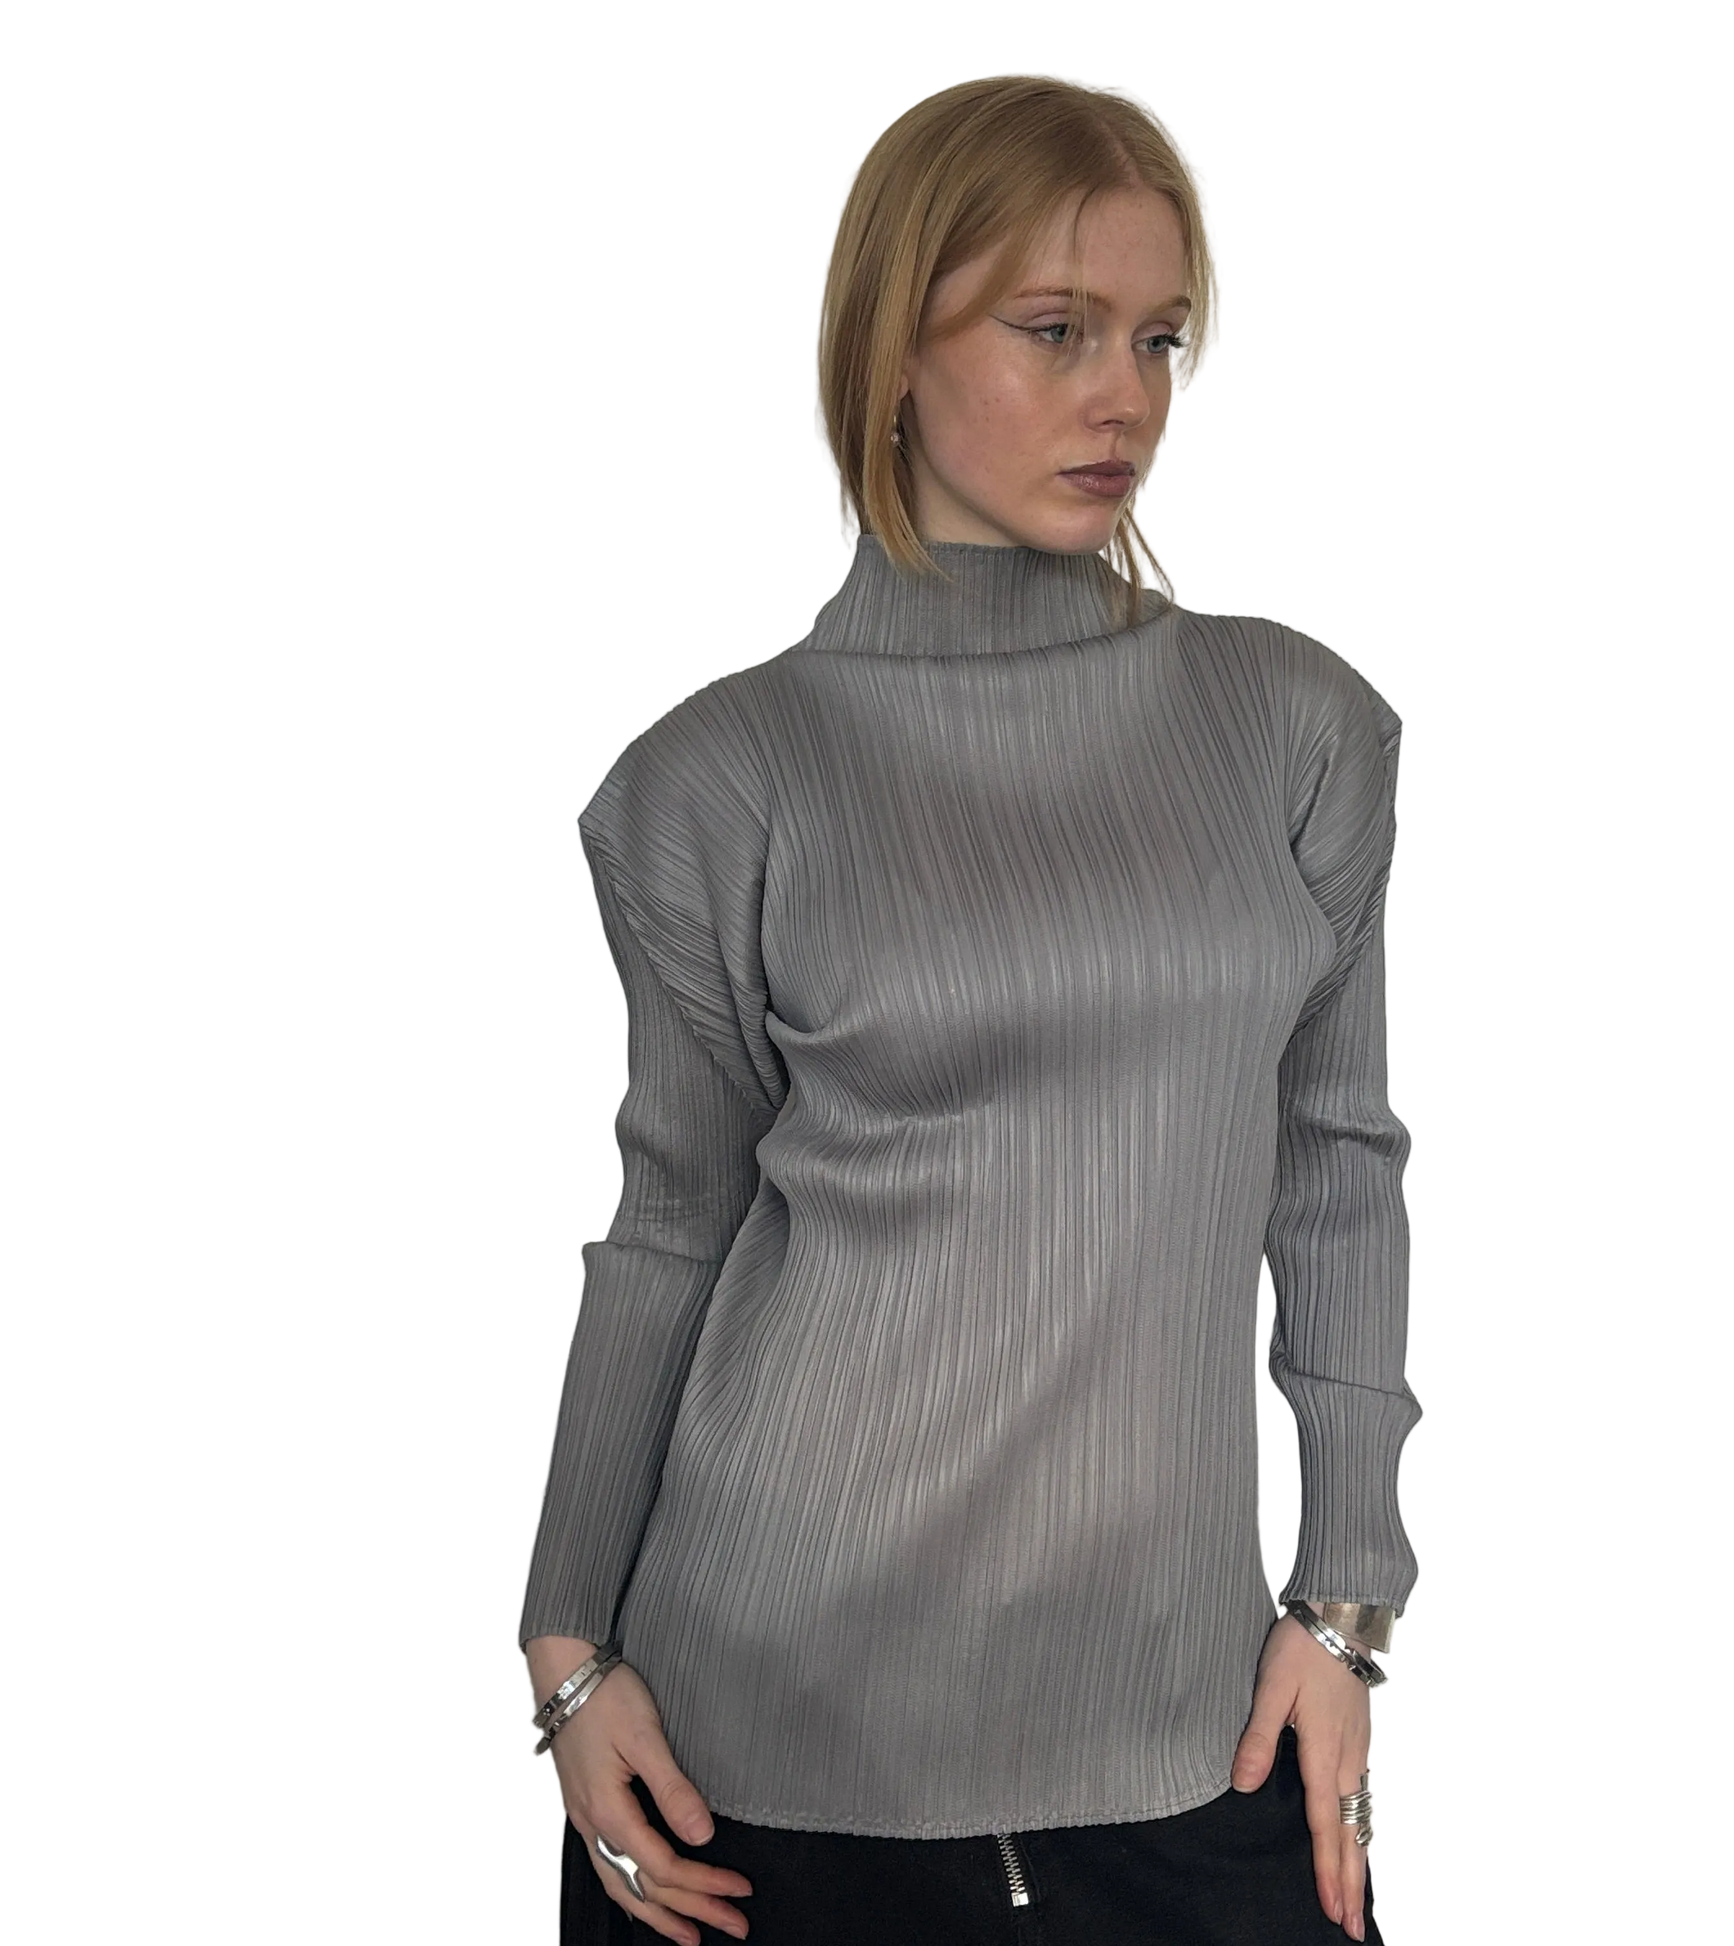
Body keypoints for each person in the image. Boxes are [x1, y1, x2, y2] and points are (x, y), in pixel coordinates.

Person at [518, 69, 1421, 1946]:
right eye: (1053, 328)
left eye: (1159, 337)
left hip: (1195, 1733)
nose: (1125, 395)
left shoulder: (1297, 724)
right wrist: (563, 1651)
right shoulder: (715, 773)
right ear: (891, 349)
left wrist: (1349, 1602)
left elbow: (1339, 1171)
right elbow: (671, 1219)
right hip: (752, 1743)